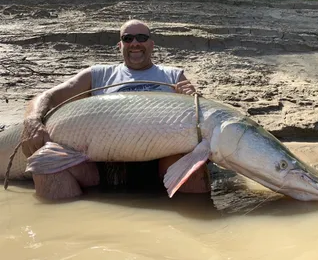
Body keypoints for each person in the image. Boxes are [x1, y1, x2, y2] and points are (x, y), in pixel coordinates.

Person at [21, 19, 211, 199]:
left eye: (141, 38)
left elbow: (201, 118)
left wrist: (193, 97)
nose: (135, 43)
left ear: (151, 44)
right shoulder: (97, 74)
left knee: (195, 169)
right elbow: (48, 97)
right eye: (128, 38)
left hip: (161, 164)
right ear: (120, 45)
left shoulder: (173, 75)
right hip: (103, 166)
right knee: (45, 167)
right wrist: (32, 120)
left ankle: (198, 223)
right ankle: (70, 229)